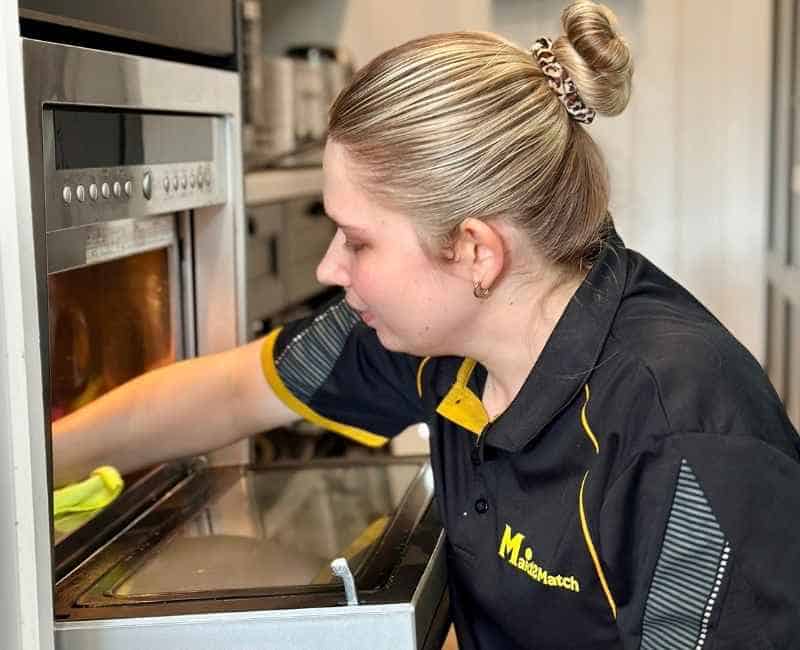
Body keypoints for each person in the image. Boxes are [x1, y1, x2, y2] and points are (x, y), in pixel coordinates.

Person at [53, 1, 800, 648]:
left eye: (358, 240)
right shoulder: (439, 343)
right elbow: (234, 390)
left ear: (475, 251)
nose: (329, 269)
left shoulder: (687, 443)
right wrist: (33, 466)